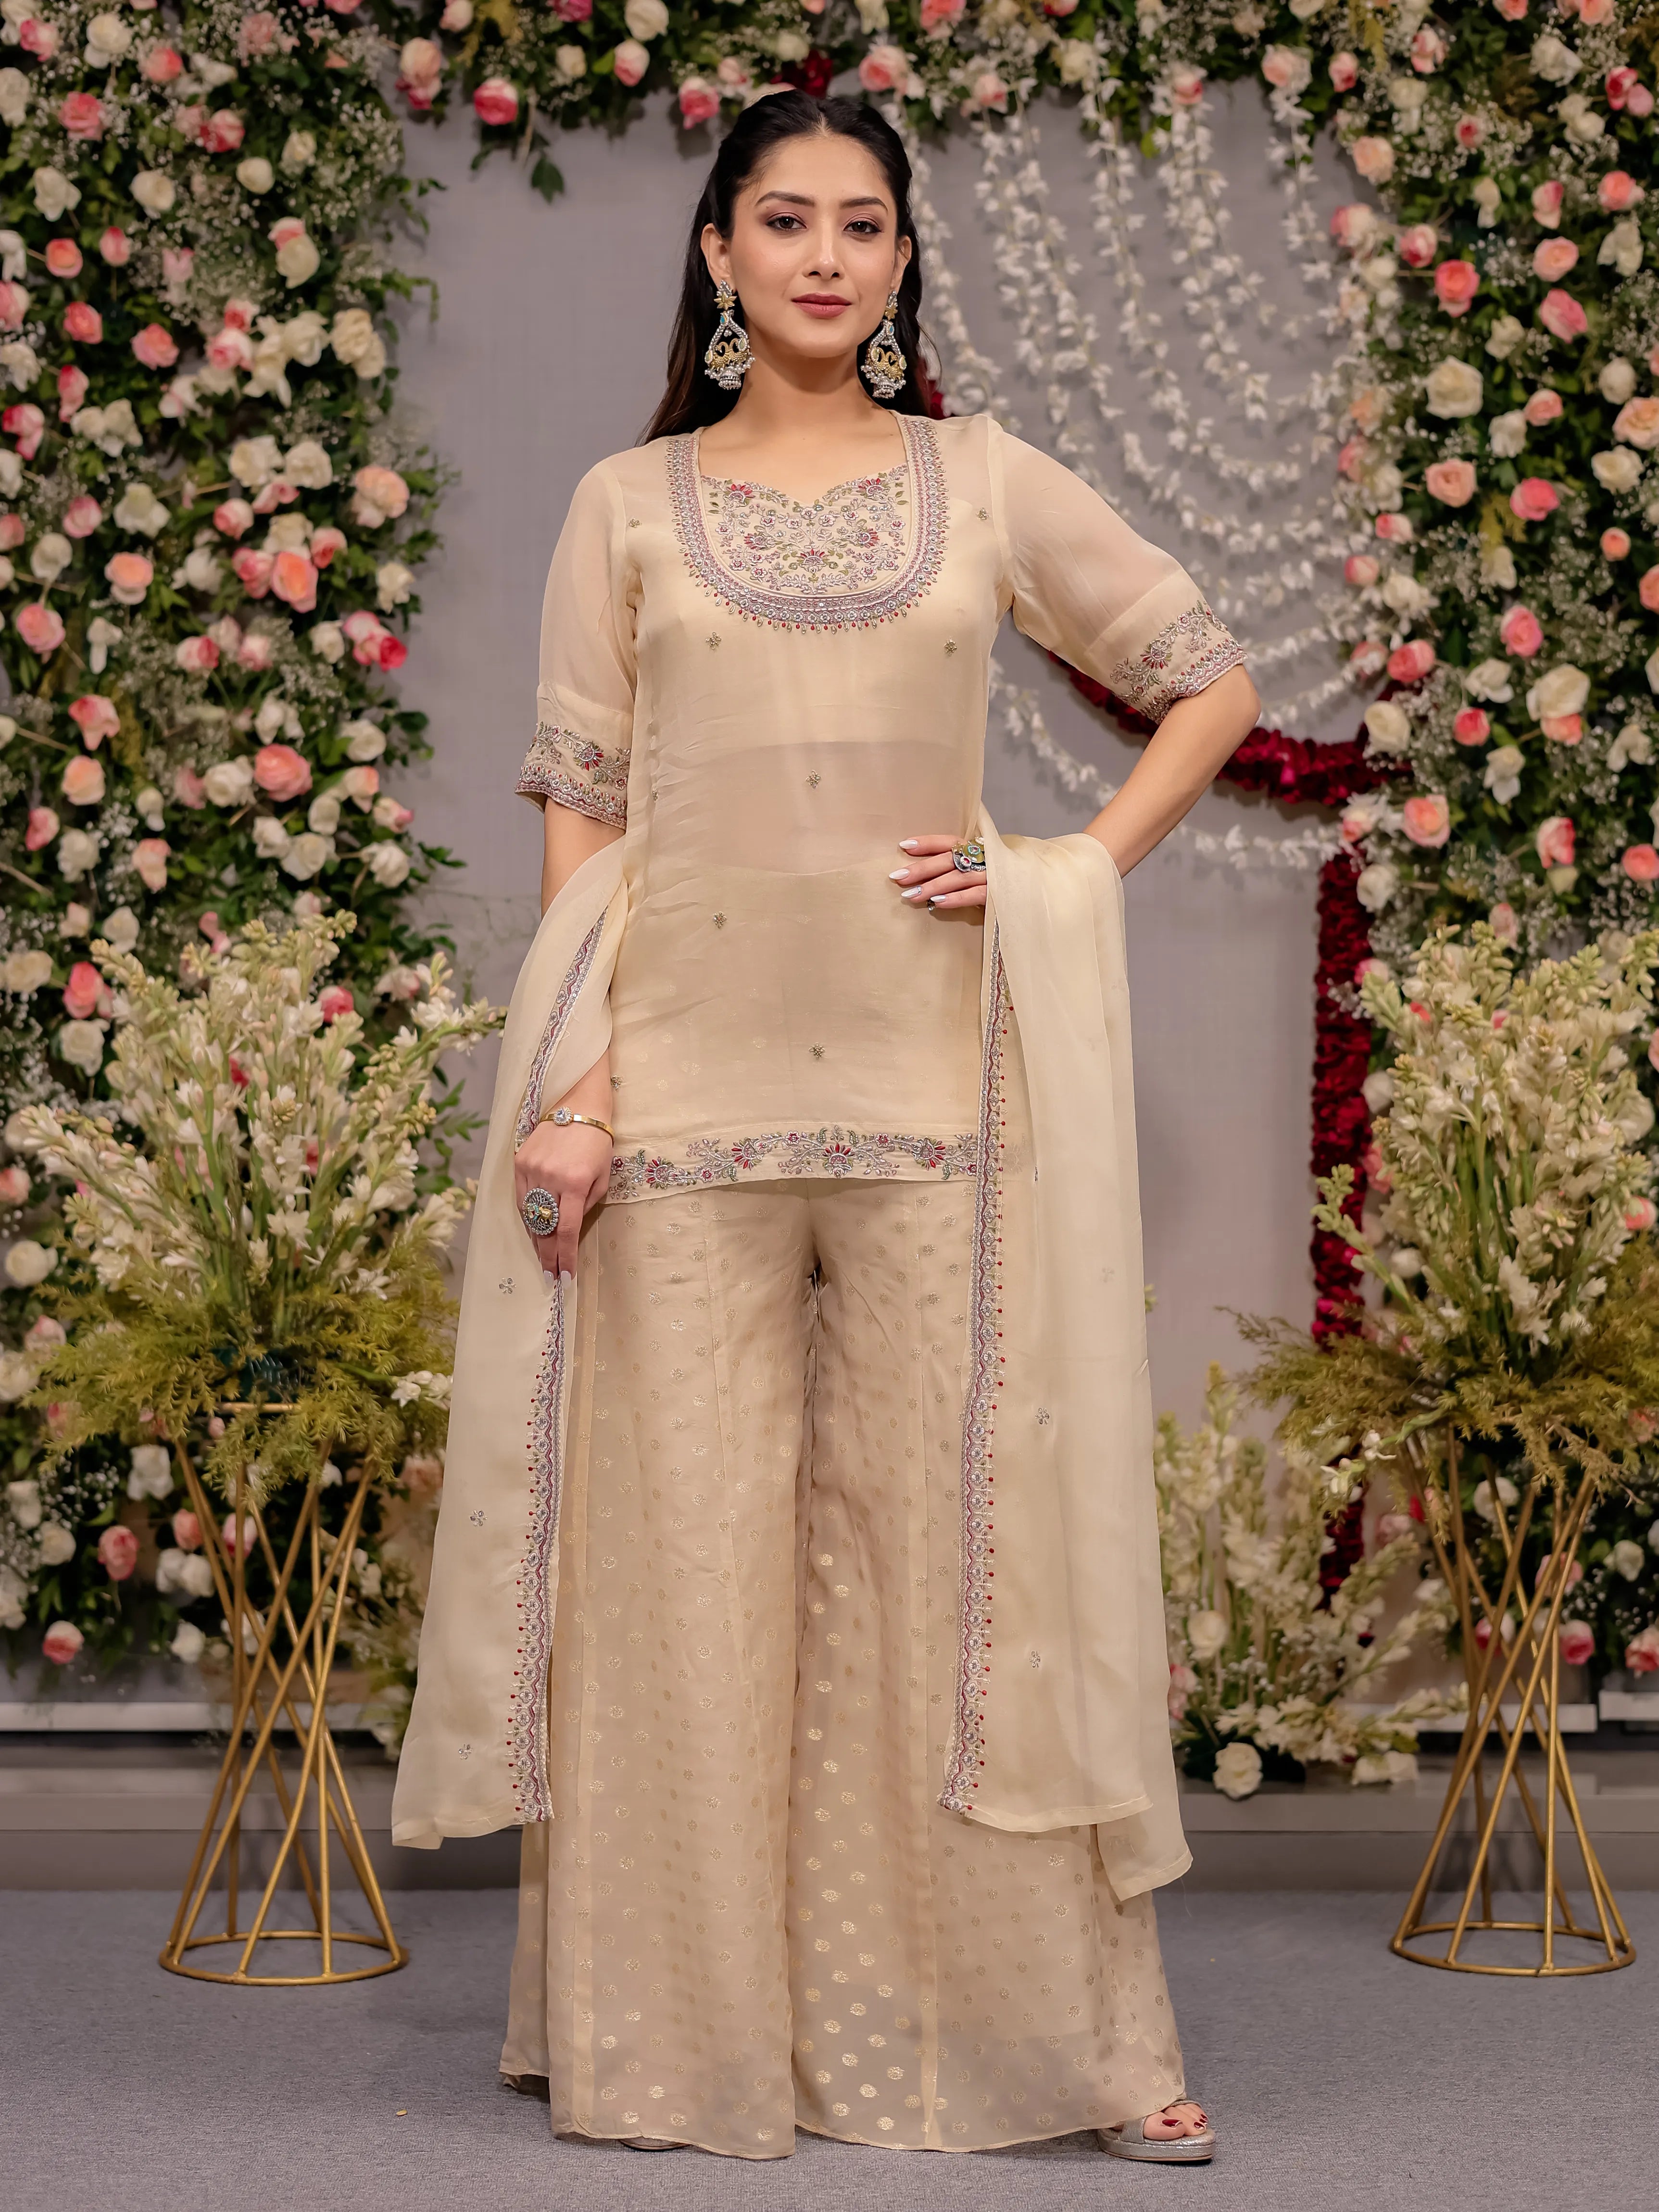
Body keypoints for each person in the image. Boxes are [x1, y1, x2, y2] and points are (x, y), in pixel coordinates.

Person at [391, 90, 1258, 2167]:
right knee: (684, 1588)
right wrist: (582, 1091)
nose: (822, 256)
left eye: (861, 224)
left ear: (894, 263)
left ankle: (1059, 2042)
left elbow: (1202, 678)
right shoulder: (625, 506)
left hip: (934, 1097)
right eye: (781, 218)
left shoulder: (976, 484)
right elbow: (584, 828)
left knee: (965, 1583)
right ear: (714, 251)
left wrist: (1061, 863)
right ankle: (677, 2034)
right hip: (674, 1107)